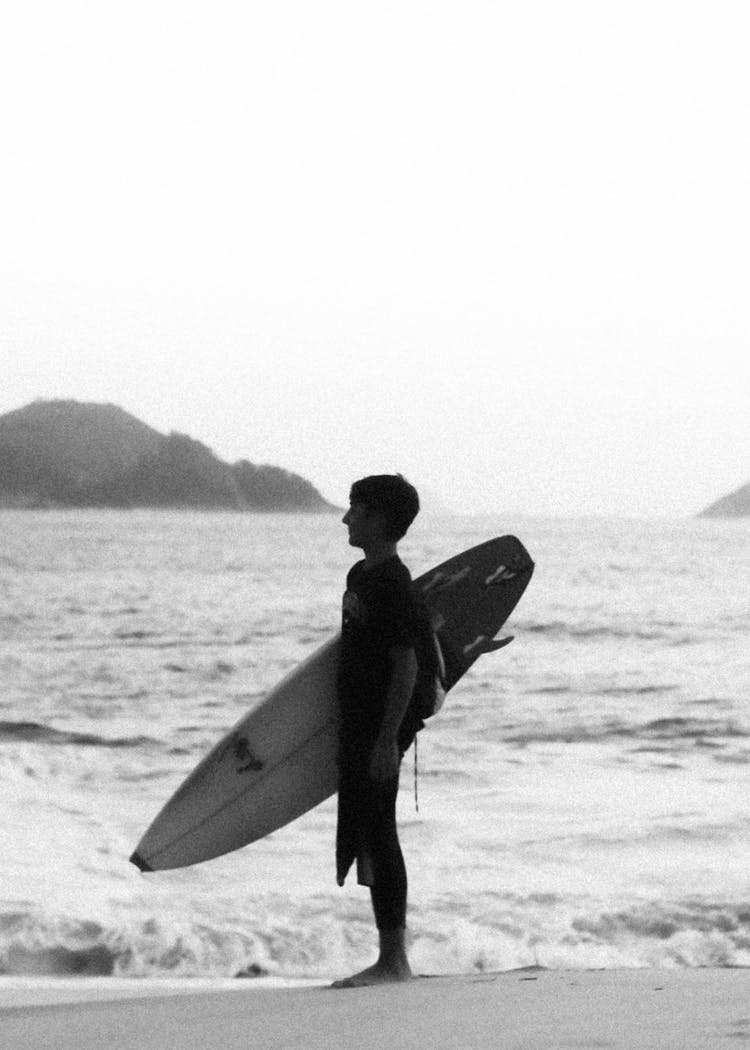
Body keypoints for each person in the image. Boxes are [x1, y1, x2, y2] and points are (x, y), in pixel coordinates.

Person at [333, 474, 423, 988]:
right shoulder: (360, 576)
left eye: (355, 510)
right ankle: (389, 957)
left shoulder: (393, 584)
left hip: (379, 729)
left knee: (381, 833)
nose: (346, 519)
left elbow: (405, 663)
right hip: (358, 724)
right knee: (368, 829)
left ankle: (394, 962)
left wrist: (387, 739)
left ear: (379, 520)